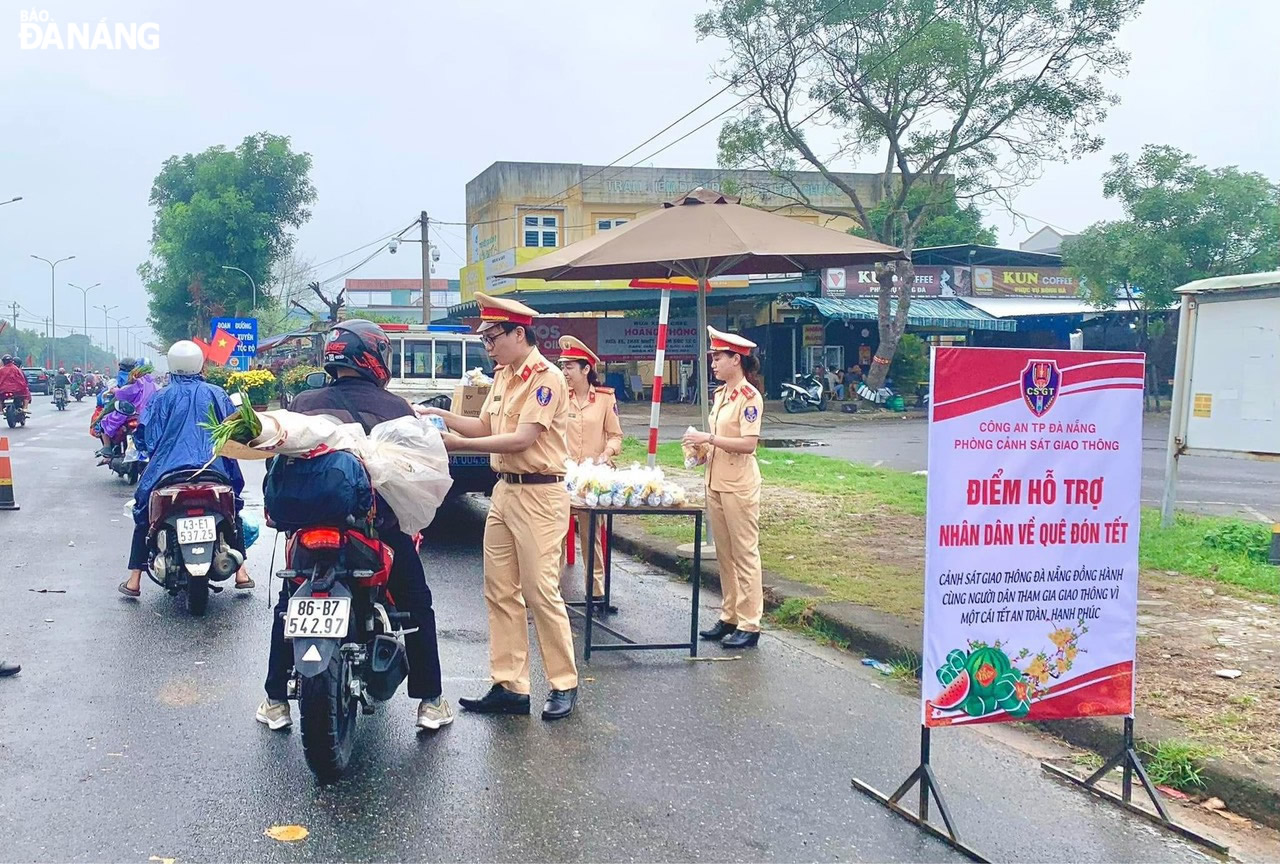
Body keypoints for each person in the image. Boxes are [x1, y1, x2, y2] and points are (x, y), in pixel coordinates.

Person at [257, 320, 452, 733]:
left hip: (308, 530)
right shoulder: (395, 407)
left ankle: (275, 700)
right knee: (416, 604)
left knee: (286, 605)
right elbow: (417, 470)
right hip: (375, 530)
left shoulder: (305, 401)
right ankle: (430, 701)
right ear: (375, 358)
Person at [422, 292, 579, 721]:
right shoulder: (504, 376)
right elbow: (485, 425)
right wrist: (435, 414)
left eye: (493, 336)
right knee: (499, 590)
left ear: (517, 333)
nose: (487, 345)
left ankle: (564, 682)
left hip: (540, 493)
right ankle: (510, 684)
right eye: (485, 338)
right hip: (505, 491)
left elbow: (522, 438)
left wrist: (458, 444)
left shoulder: (545, 377)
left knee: (540, 591)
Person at [118, 342, 253, 597]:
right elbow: (237, 432)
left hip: (166, 472)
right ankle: (242, 572)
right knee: (234, 510)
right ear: (200, 363)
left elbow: (146, 438)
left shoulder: (161, 397)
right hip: (216, 469)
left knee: (143, 515)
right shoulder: (217, 394)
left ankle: (134, 579)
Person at [682, 326, 765, 649]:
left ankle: (750, 622)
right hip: (716, 482)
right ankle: (729, 615)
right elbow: (719, 442)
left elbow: (748, 444)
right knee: (725, 554)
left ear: (737, 359)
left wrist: (709, 438)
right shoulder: (721, 395)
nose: (713, 363)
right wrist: (699, 450)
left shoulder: (749, 397)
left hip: (739, 486)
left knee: (744, 553)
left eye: (718, 357)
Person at [557, 335, 623, 609]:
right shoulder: (559, 397)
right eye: (562, 366)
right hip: (562, 476)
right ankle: (551, 592)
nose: (565, 372)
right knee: (556, 535)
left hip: (591, 480)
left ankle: (596, 591)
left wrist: (607, 454)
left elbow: (615, 435)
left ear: (586, 369)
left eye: (570, 366)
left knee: (591, 535)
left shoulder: (605, 400)